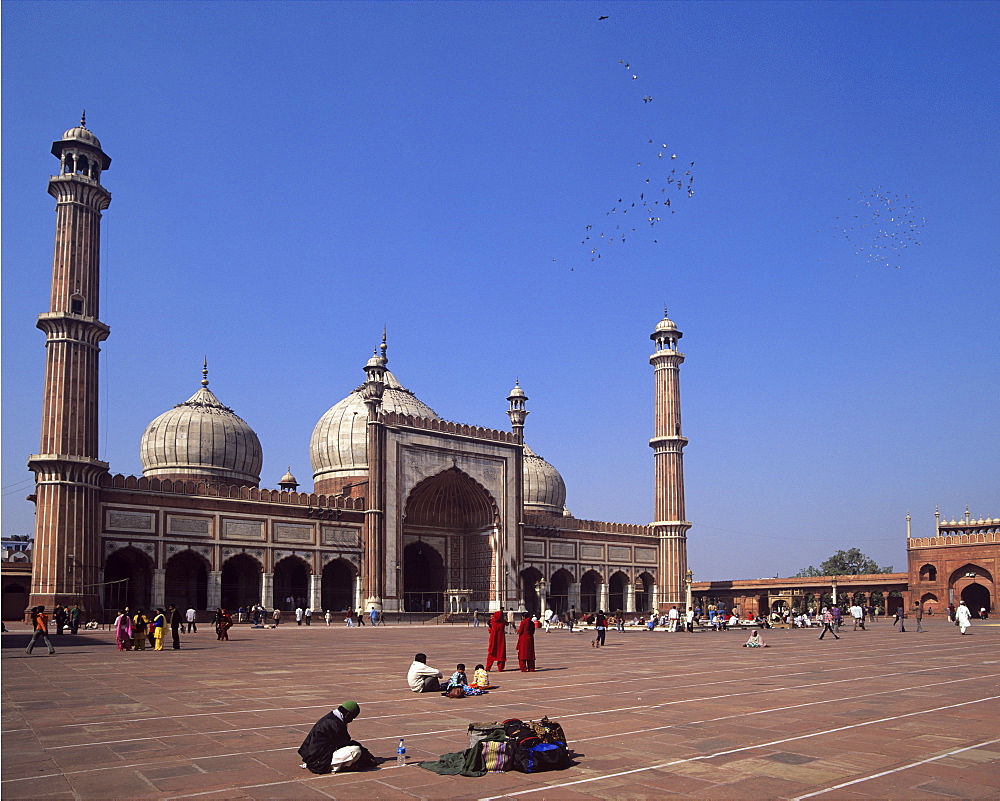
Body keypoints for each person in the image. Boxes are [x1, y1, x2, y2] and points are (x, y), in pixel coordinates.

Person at [298, 702, 366, 774]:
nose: (351, 721)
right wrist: (366, 757)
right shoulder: (334, 724)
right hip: (318, 762)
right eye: (352, 718)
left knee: (356, 748)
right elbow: (345, 744)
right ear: (347, 715)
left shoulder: (332, 718)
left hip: (314, 756)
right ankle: (335, 767)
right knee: (355, 750)